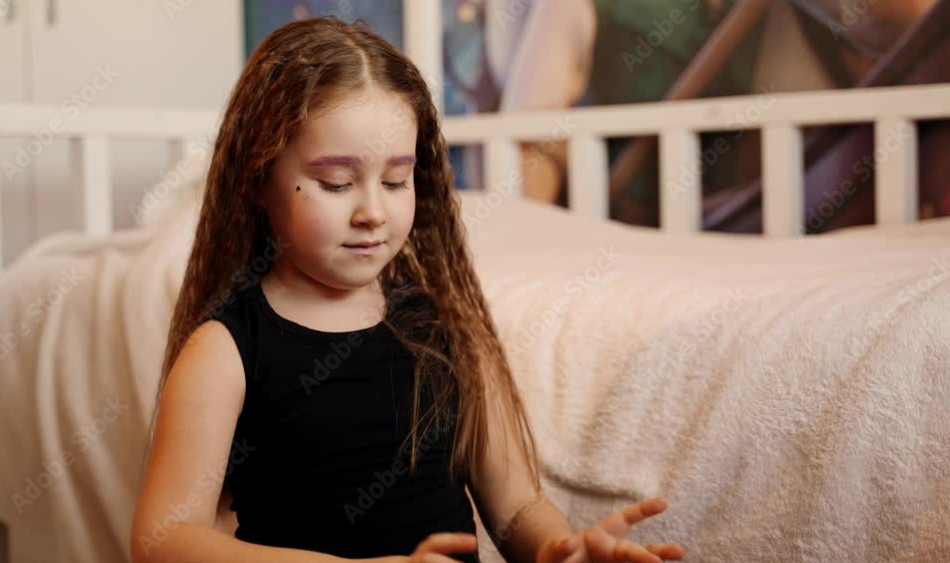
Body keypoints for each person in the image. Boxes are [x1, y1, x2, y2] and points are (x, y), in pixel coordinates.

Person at [130, 17, 685, 563]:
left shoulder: (447, 327)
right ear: (258, 181)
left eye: (397, 181)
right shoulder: (225, 349)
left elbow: (517, 508)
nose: (373, 212)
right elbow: (164, 539)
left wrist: (560, 552)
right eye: (337, 184)